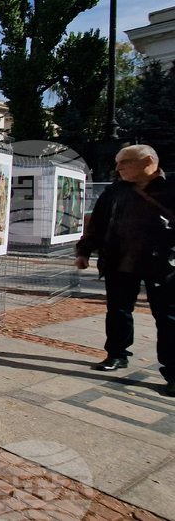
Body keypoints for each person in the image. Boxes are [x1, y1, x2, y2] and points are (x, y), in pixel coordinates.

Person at [75, 145, 175, 398]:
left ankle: (173, 372)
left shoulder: (172, 187)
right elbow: (96, 223)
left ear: (148, 161)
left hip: (164, 265)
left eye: (125, 162)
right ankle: (117, 355)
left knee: (168, 318)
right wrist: (84, 251)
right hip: (121, 262)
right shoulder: (114, 190)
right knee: (118, 311)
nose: (118, 168)